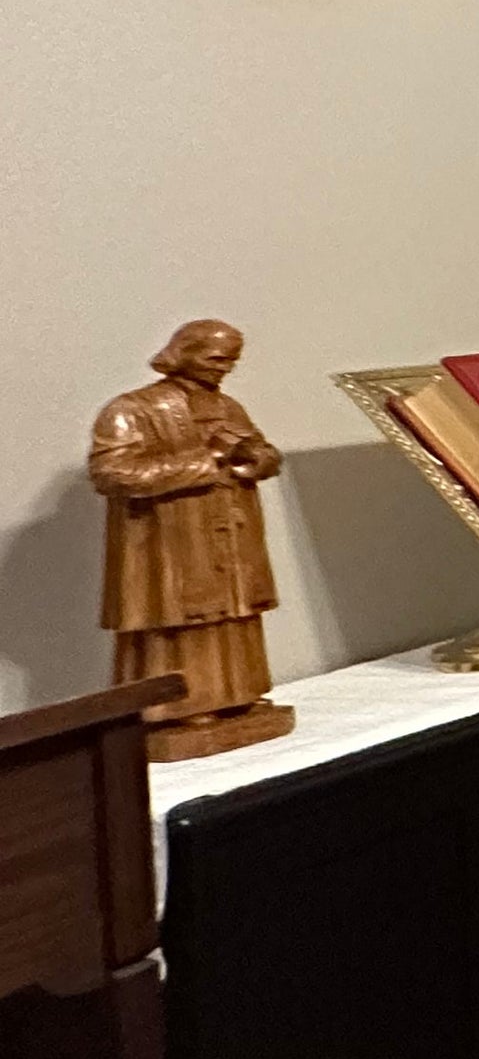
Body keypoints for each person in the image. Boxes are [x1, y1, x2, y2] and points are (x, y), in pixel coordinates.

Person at [88, 320, 293, 760]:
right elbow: (112, 474)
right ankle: (183, 708)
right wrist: (207, 459)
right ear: (184, 352)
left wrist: (257, 459)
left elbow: (263, 452)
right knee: (181, 622)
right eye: (216, 358)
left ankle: (238, 696)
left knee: (235, 615)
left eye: (232, 360)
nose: (226, 369)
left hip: (231, 534)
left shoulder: (229, 407)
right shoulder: (131, 410)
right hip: (173, 542)